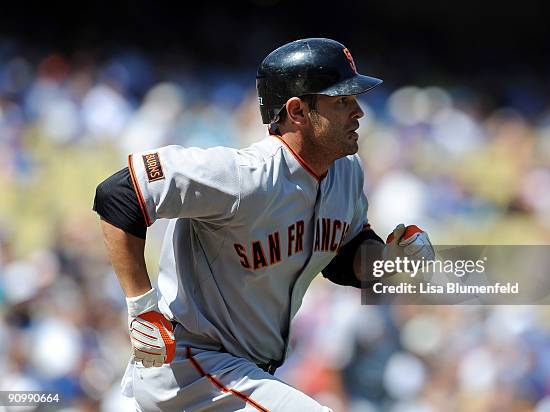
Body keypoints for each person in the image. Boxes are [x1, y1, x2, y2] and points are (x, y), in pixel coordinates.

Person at [93, 38, 434, 412]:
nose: (358, 112)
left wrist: (390, 260)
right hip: (188, 367)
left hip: (244, 375)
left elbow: (343, 255)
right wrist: (142, 309)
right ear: (298, 111)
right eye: (341, 101)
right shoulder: (243, 176)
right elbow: (121, 193)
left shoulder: (346, 173)